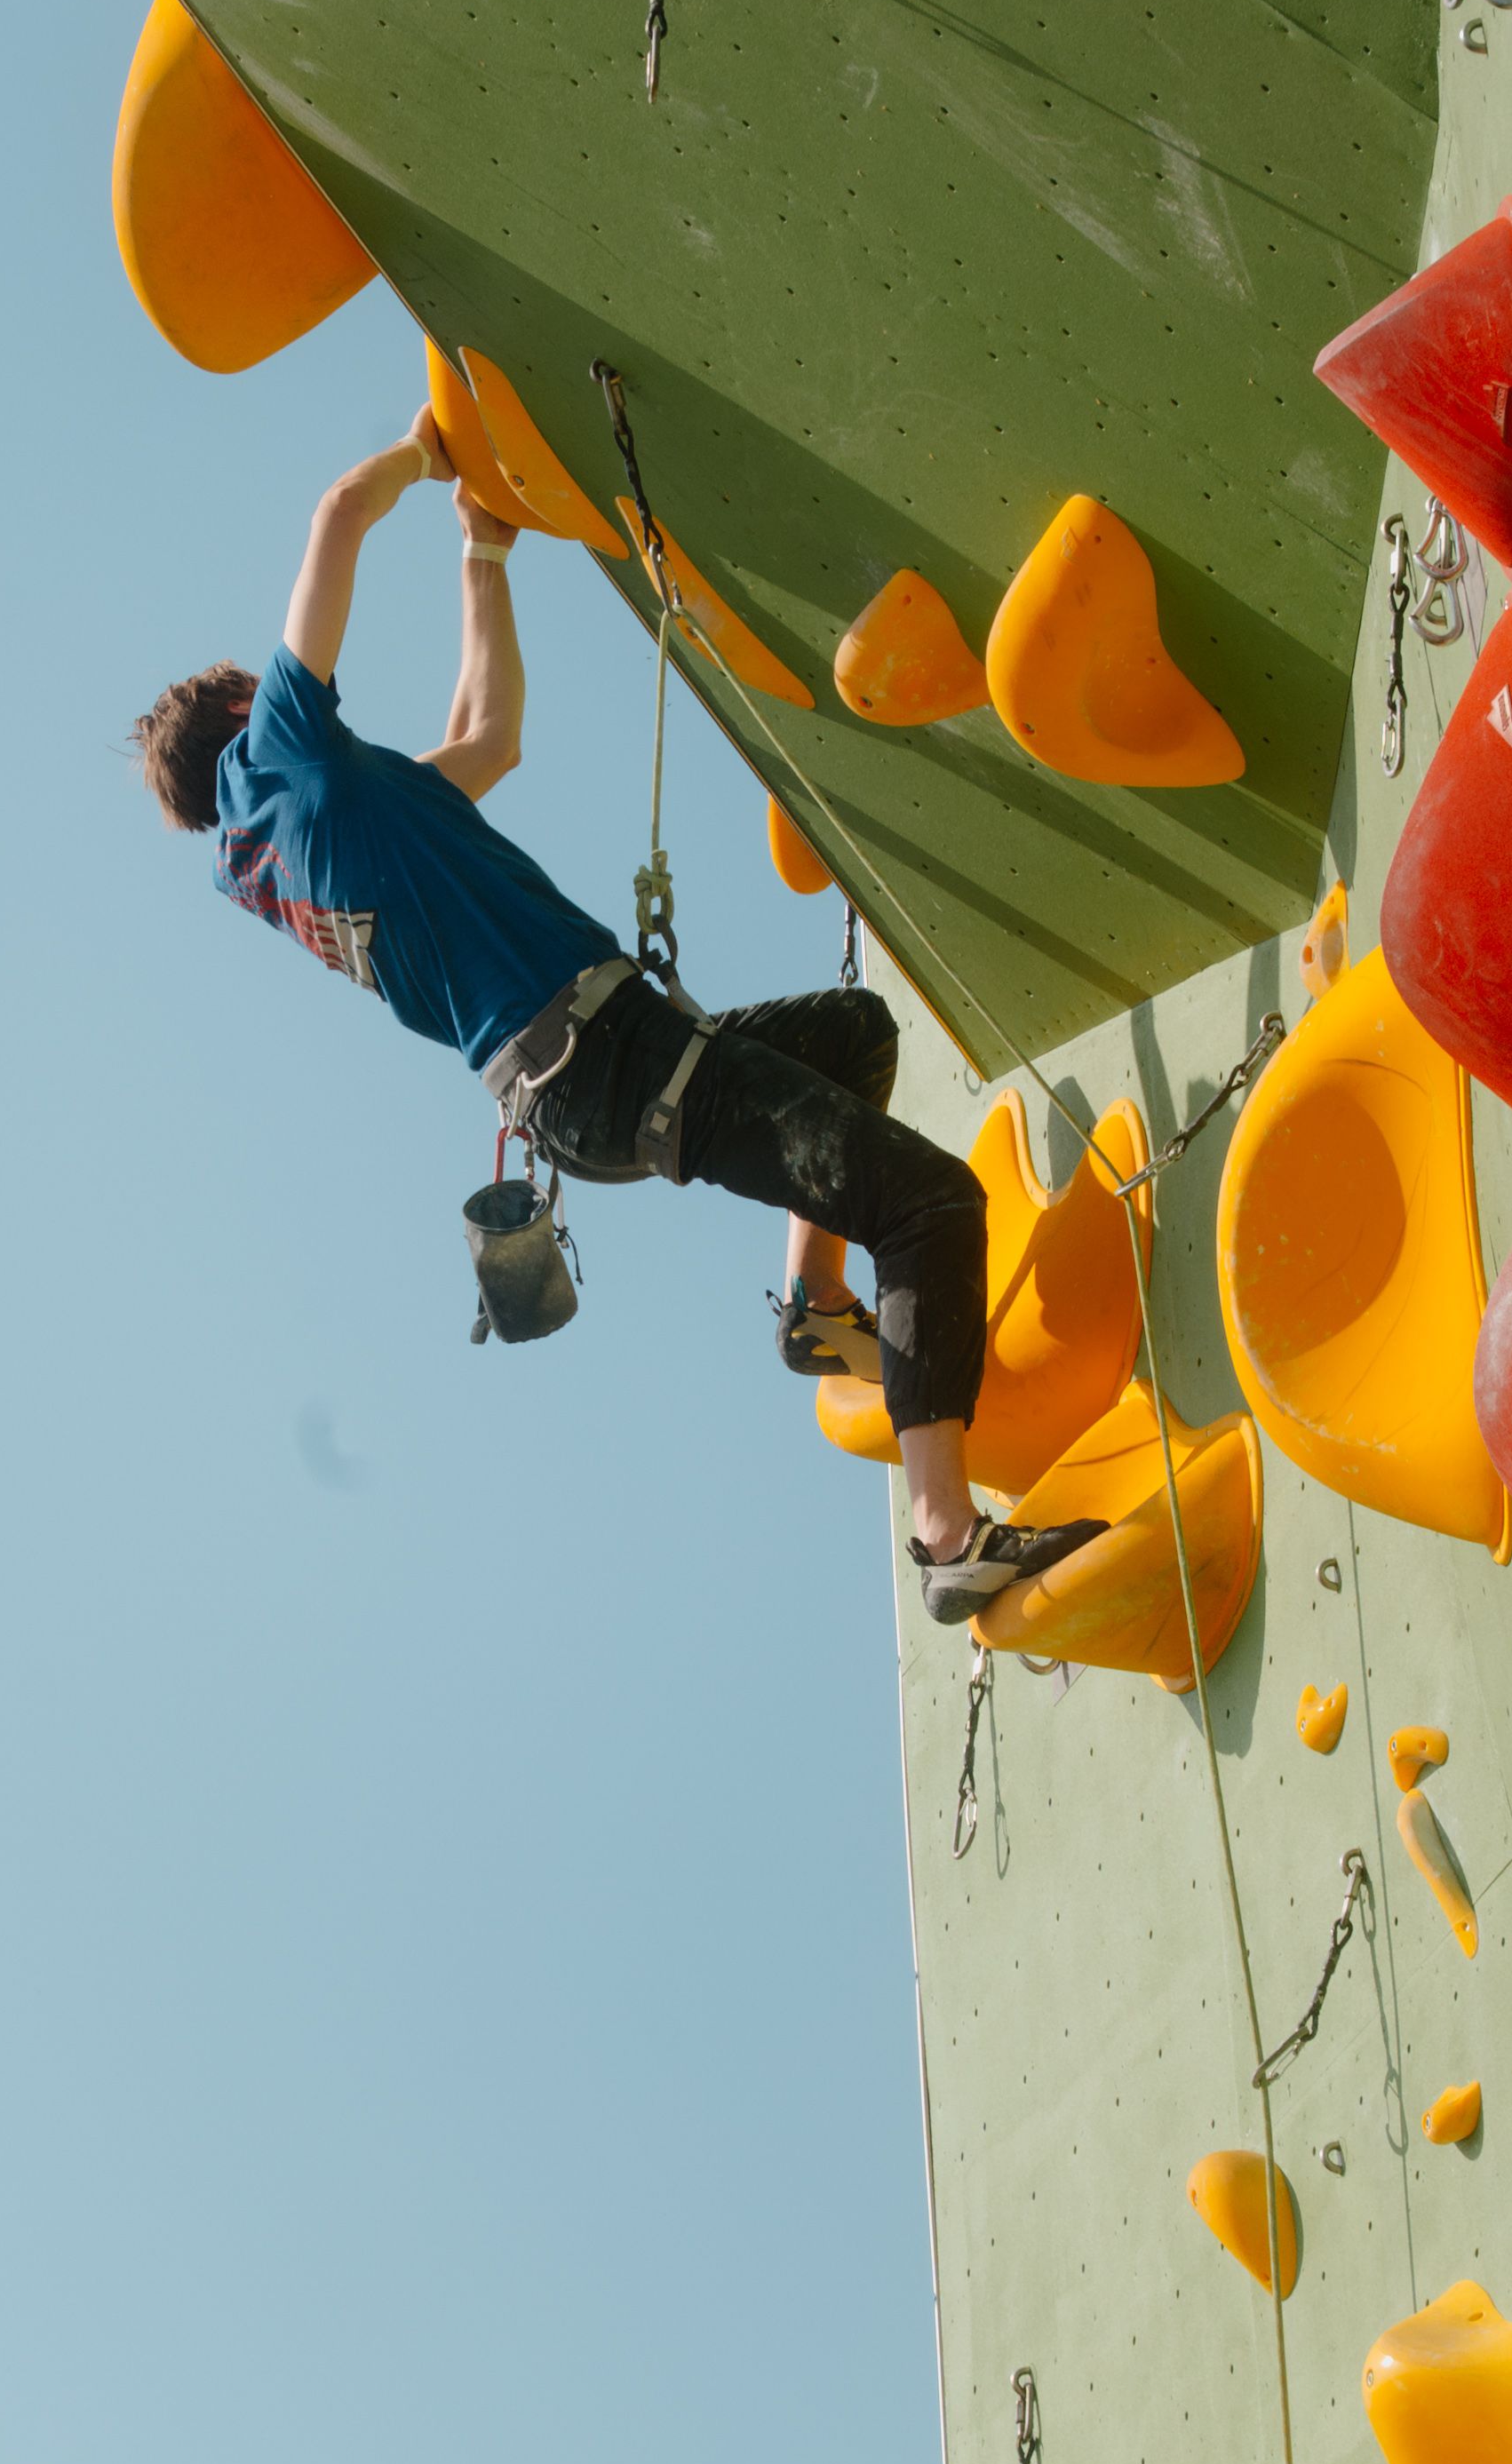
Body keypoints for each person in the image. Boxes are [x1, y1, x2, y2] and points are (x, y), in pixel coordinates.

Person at [132, 420, 1102, 1621]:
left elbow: (489, 740)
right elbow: (339, 511)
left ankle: (815, 1307)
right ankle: (946, 1533)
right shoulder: (275, 756)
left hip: (588, 1074)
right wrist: (429, 452)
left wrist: (484, 553)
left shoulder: (314, 843)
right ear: (245, 707)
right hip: (606, 1060)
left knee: (854, 1033)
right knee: (931, 1204)